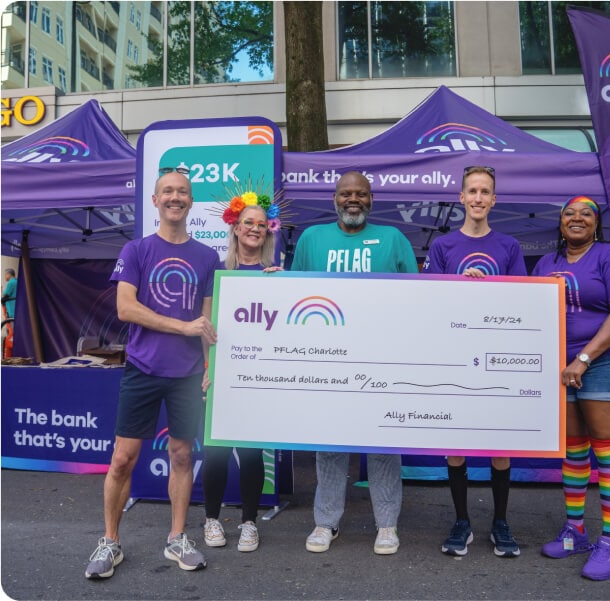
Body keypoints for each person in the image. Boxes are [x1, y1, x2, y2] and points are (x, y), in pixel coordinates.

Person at [85, 167, 221, 579]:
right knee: (123, 459)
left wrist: (209, 366)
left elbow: (207, 319)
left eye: (182, 191)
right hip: (143, 369)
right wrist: (183, 327)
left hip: (186, 374)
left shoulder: (206, 257)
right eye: (167, 191)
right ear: (155, 201)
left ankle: (177, 538)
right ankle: (110, 542)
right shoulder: (137, 251)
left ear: (190, 201)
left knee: (182, 455)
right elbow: (126, 309)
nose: (175, 197)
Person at [291, 170, 419, 555]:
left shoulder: (393, 239)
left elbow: (419, 296)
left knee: (382, 442)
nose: (353, 199)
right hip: (327, 362)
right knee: (329, 443)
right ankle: (325, 522)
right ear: (334, 198)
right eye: (346, 193)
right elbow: (292, 295)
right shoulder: (312, 239)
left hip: (382, 359)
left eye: (360, 194)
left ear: (371, 199)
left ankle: (386, 524)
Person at [421, 165, 526, 558]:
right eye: (472, 191)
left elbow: (522, 300)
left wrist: (492, 290)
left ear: (493, 200)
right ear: (461, 198)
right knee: (457, 444)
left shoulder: (509, 247)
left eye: (485, 191)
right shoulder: (443, 247)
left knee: (500, 445)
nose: (479, 198)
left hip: (497, 355)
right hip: (454, 355)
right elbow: (430, 300)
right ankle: (461, 520)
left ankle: (501, 521)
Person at [533, 195, 610, 581]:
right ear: (560, 223)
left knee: (606, 448)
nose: (577, 219)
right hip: (563, 367)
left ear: (596, 224)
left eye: (586, 214)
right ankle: (575, 532)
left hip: (605, 362)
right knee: (574, 449)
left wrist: (585, 358)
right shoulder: (547, 264)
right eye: (569, 214)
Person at [202, 196, 283, 553]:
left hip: (256, 379)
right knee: (215, 452)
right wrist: (207, 370)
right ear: (236, 228)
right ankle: (211, 519)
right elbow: (206, 326)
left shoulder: (275, 276)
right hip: (219, 376)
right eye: (248, 222)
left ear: (268, 232)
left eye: (261, 224)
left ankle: (249, 522)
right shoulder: (217, 274)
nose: (254, 228)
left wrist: (285, 289)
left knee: (251, 454)